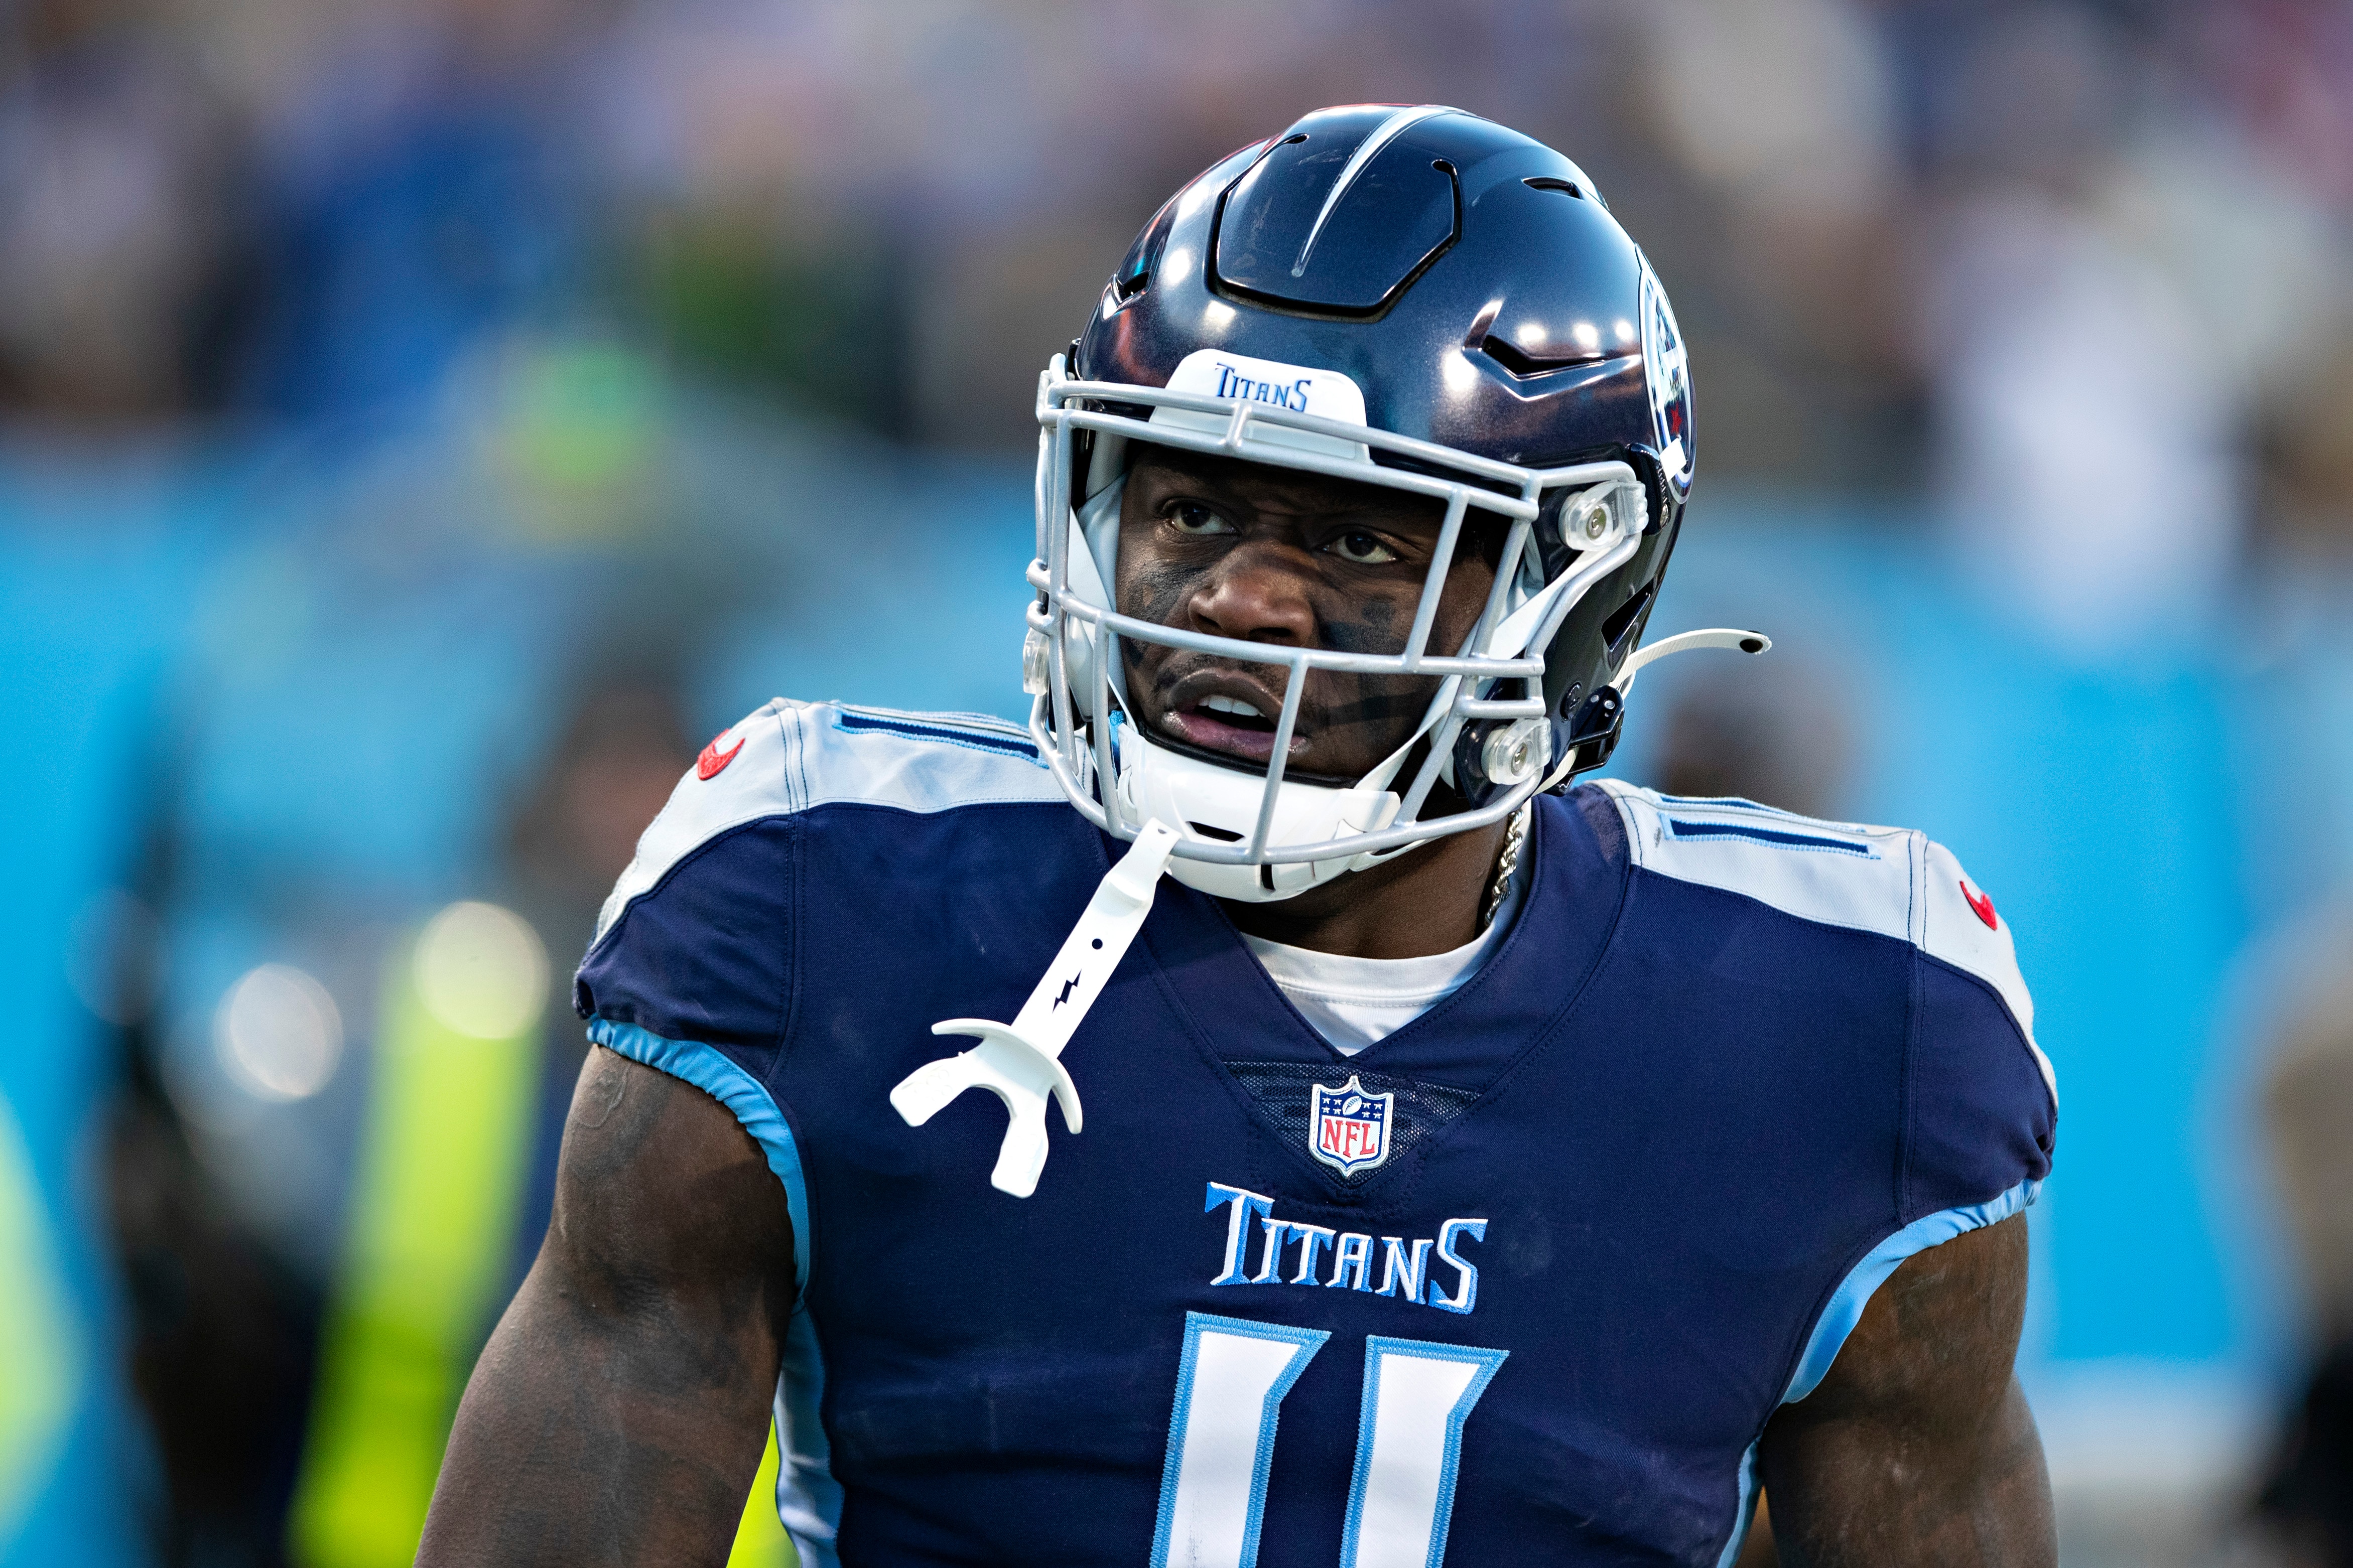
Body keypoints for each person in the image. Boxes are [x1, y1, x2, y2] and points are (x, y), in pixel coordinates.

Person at [417, 105, 2058, 1567]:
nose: (1240, 598)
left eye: (1356, 537)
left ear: (1583, 592)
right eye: (1193, 507)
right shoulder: (815, 893)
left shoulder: (1854, 1034)